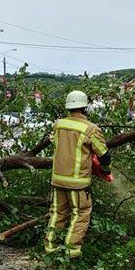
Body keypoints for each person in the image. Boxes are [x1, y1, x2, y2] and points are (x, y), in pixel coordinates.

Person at [44, 90, 111, 259]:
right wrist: (105, 170)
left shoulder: (58, 124)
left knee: (57, 213)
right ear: (85, 108)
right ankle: (71, 252)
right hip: (77, 182)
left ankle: (50, 248)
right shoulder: (90, 129)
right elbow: (104, 155)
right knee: (80, 213)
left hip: (58, 179)